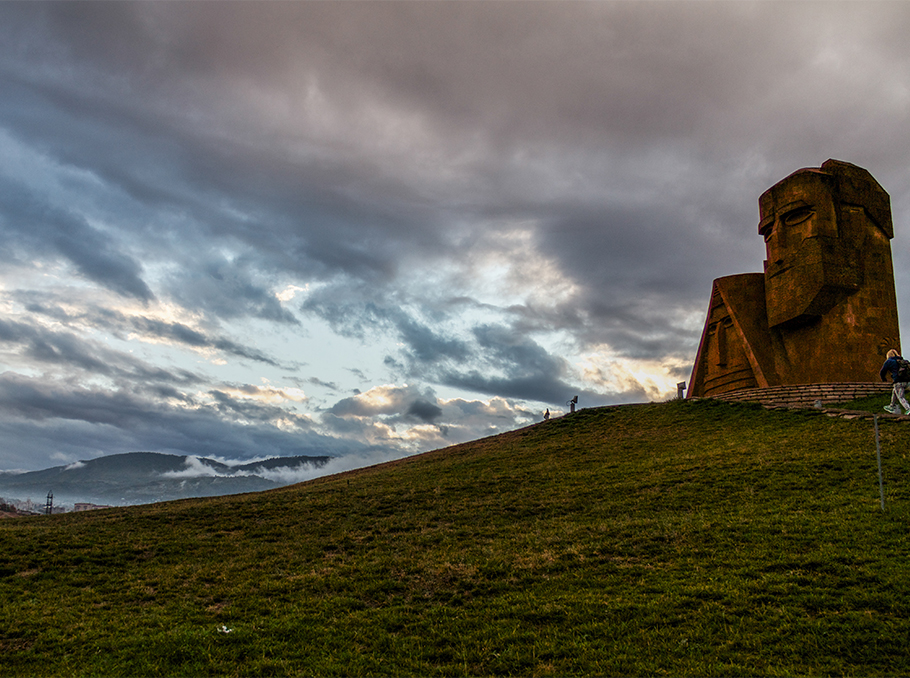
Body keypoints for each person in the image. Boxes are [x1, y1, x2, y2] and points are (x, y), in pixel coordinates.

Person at [879, 349, 910, 415]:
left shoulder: (889, 361)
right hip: (907, 381)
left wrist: (883, 378)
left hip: (898, 381)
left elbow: (882, 371)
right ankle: (892, 405)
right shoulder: (902, 360)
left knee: (900, 397)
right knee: (895, 391)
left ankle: (908, 409)